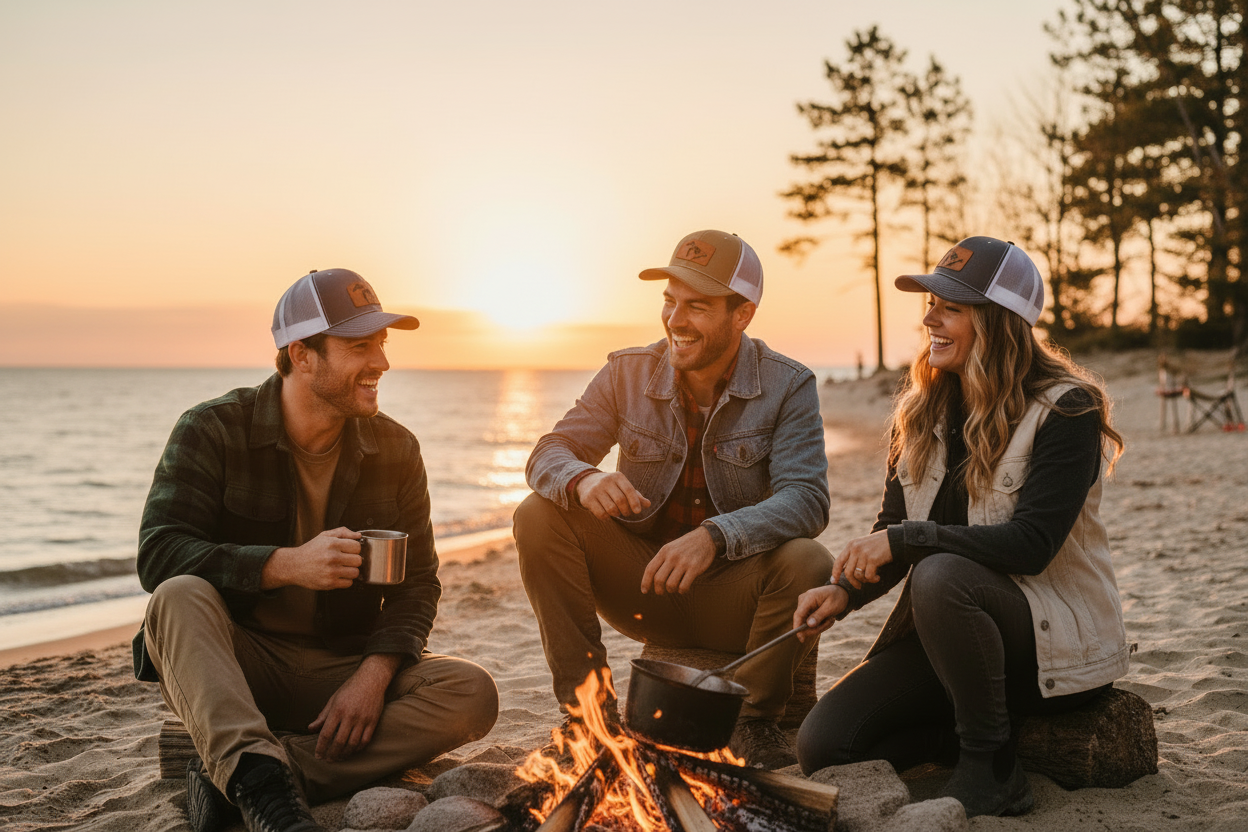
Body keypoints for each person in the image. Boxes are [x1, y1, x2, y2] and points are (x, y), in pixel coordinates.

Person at [134, 269, 499, 832]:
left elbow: (420, 583)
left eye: (381, 344)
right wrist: (285, 565)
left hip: (342, 670)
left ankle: (253, 777)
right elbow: (159, 555)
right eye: (360, 346)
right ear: (301, 354)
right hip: (237, 668)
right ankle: (271, 802)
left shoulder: (396, 448)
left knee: (472, 692)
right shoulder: (212, 429)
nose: (380, 362)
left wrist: (373, 676)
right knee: (176, 597)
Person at [792, 237, 1129, 817]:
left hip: (1049, 643)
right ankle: (961, 740)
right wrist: (841, 593)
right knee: (824, 744)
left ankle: (993, 769)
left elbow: (1030, 546)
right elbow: (894, 529)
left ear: (999, 320)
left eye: (950, 306)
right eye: (930, 302)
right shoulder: (921, 412)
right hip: (954, 637)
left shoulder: (1067, 409)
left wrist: (907, 540)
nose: (930, 317)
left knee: (943, 573)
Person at [514, 229, 833, 770]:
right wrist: (584, 480)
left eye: (698, 306)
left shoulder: (789, 385)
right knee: (539, 514)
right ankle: (586, 714)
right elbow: (550, 451)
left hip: (737, 598)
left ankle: (752, 722)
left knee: (811, 560)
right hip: (645, 587)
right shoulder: (626, 371)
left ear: (743, 314)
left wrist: (716, 537)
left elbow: (808, 500)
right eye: (670, 301)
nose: (676, 320)